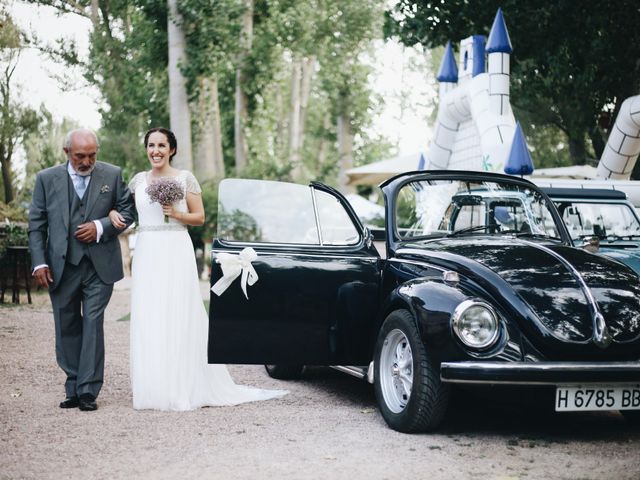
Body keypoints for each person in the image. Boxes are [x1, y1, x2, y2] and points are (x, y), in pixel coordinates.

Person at [108, 127, 286, 410]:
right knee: (150, 313)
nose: (156, 151)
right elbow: (128, 214)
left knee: (178, 311)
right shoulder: (138, 180)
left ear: (172, 149)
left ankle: (181, 386)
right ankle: (153, 387)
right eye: (151, 145)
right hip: (148, 250)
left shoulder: (184, 178)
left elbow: (200, 217)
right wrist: (113, 213)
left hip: (175, 248)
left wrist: (176, 214)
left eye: (161, 146)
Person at [28, 128, 135, 411]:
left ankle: (87, 390)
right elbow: (36, 225)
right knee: (66, 325)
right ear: (67, 153)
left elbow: (128, 212)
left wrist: (101, 226)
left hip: (100, 267)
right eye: (80, 156)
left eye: (92, 155)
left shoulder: (112, 174)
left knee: (92, 321)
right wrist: (39, 262)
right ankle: (73, 384)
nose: (87, 161)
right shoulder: (46, 179)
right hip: (61, 266)